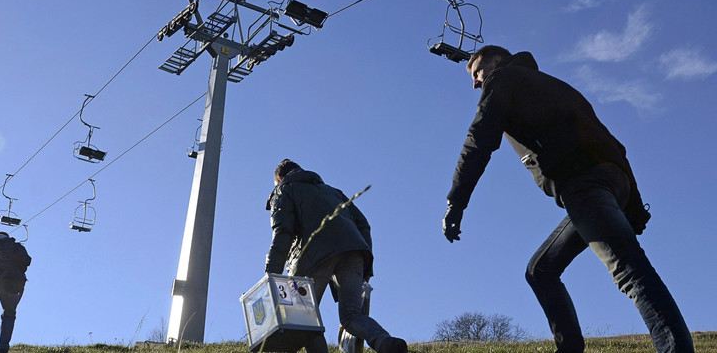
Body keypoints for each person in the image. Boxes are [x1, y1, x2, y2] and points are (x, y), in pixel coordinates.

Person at [440, 45, 694, 353]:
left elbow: (479, 140)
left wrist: (457, 202)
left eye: (477, 72)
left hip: (583, 184)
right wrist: (633, 205)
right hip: (609, 181)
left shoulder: (504, 79)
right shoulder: (555, 86)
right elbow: (612, 144)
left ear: (497, 60)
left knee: (629, 269)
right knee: (540, 271)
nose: (476, 82)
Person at [265, 159, 407, 353]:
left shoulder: (284, 189)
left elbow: (283, 232)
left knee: (303, 317)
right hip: (354, 251)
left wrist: (271, 272)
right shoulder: (333, 192)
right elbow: (363, 224)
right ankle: (384, 342)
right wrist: (366, 266)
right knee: (351, 315)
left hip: (313, 255)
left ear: (280, 178)